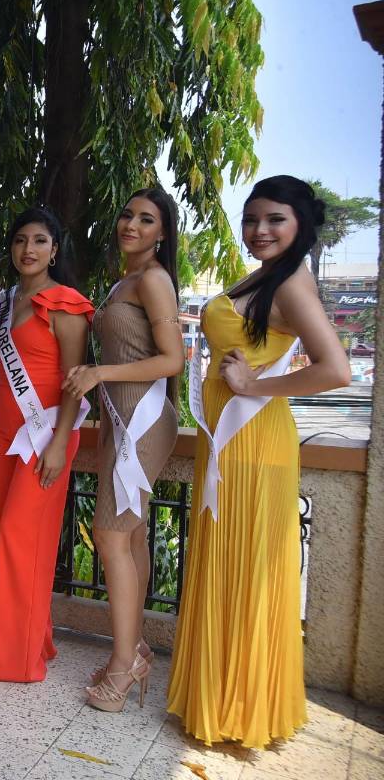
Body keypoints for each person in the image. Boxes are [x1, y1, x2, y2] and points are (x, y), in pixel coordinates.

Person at [167, 176, 350, 748]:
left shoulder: (294, 282)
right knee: (227, 563)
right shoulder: (266, 275)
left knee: (245, 568)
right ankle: (221, 699)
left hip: (254, 445)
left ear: (300, 225)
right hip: (229, 445)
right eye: (251, 220)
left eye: (274, 220)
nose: (259, 231)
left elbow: (336, 369)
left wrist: (255, 387)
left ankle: (243, 709)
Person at [62, 188, 183, 710]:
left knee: (111, 538)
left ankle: (123, 665)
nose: (132, 224)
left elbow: (172, 360)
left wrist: (99, 373)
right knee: (128, 538)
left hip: (143, 419)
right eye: (128, 214)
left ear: (162, 233)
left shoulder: (154, 281)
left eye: (147, 219)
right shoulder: (126, 281)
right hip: (120, 418)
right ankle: (132, 650)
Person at [0, 206, 92, 683]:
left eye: (40, 240)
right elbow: (3, 372)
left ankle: (14, 660)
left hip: (45, 434)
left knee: (19, 541)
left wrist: (60, 441)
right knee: (12, 535)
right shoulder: (2, 303)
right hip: (7, 431)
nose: (29, 249)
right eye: (21, 240)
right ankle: (34, 641)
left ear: (54, 249)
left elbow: (74, 381)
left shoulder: (64, 304)